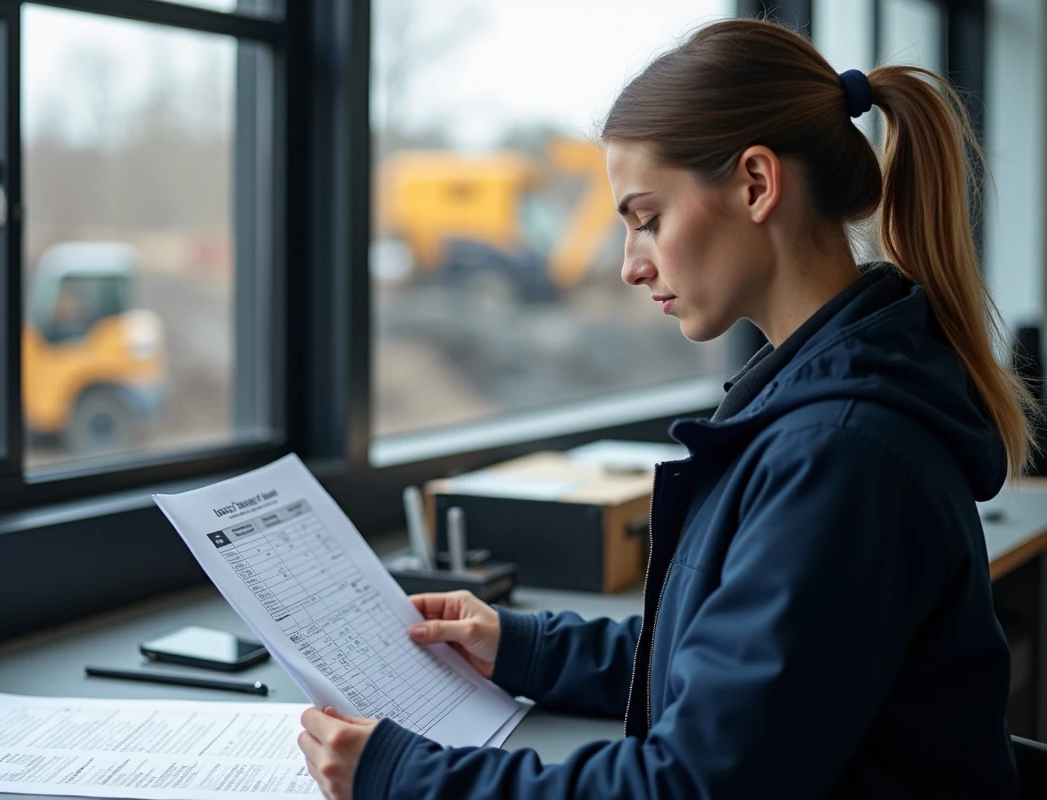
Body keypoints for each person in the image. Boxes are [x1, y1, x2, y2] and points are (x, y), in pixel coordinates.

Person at [297, 17, 1035, 799]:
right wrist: (523, 647)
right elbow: (732, 654)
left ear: (757, 184)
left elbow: (690, 785)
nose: (628, 265)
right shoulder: (814, 402)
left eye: (648, 219)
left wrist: (402, 777)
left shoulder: (841, 451)